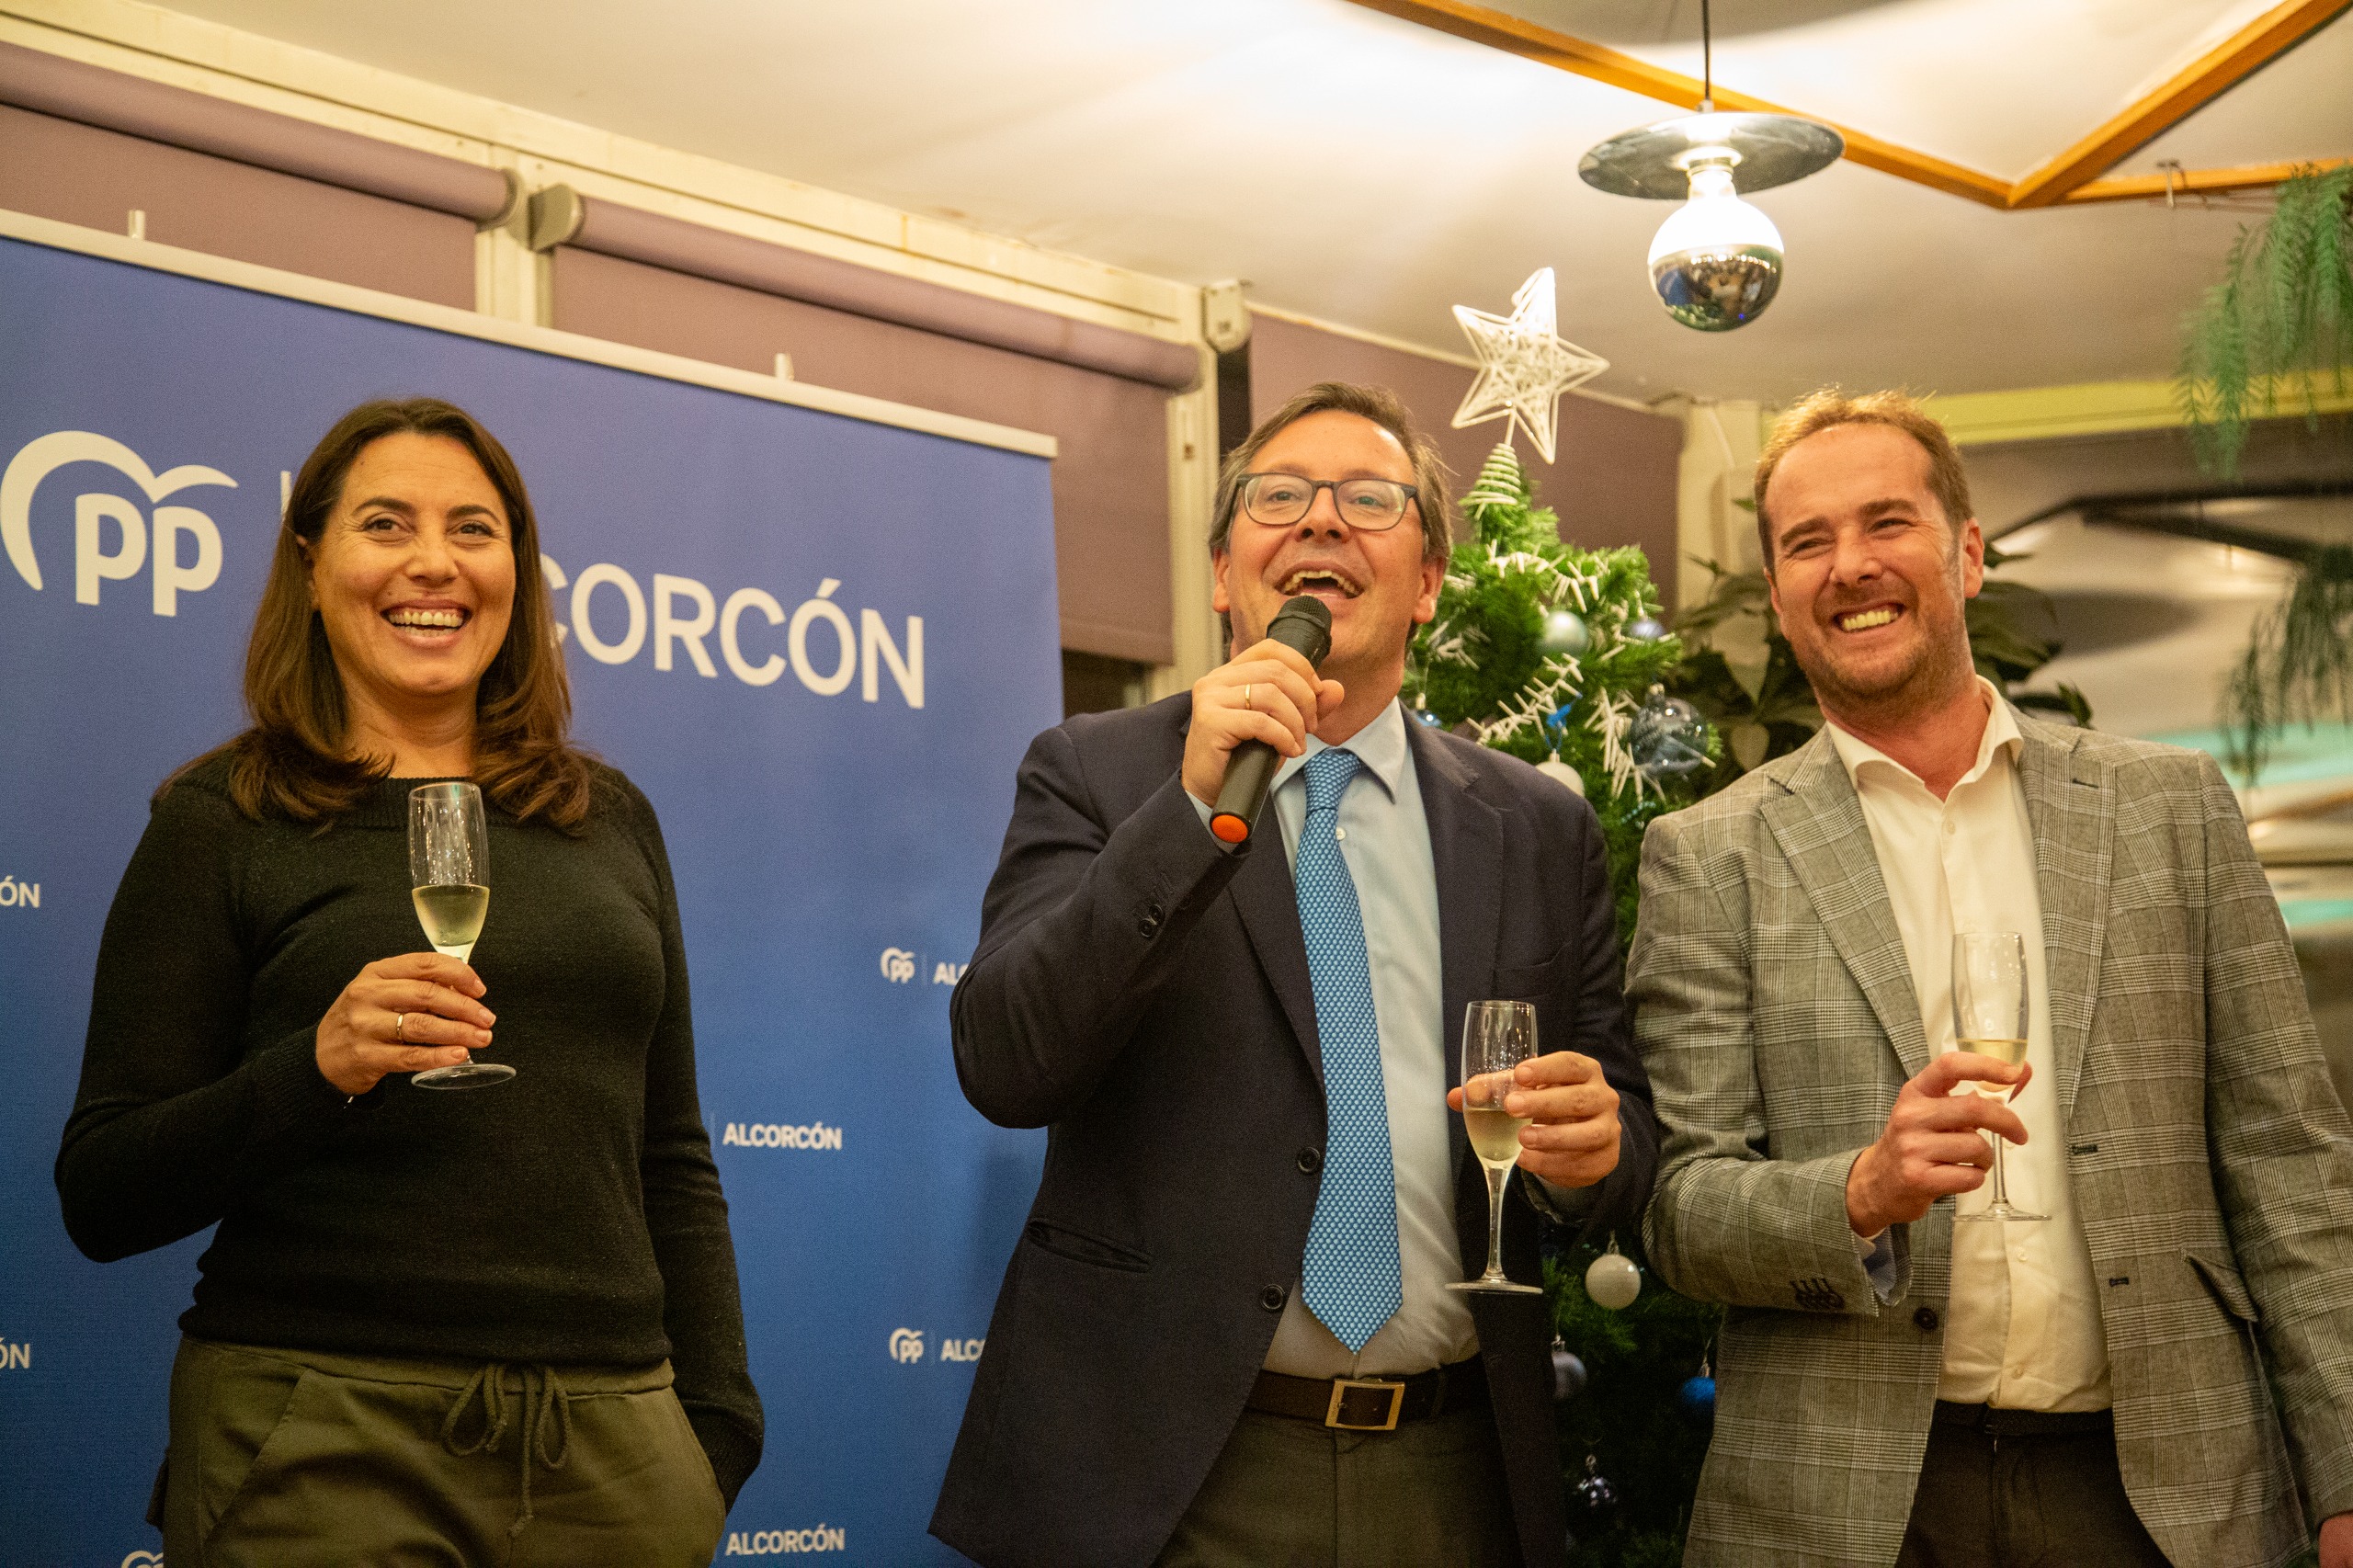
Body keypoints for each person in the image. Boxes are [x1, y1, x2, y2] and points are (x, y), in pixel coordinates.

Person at [930, 381, 1656, 1568]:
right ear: (1225, 573)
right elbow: (1007, 1061)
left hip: (1455, 1468)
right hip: (1166, 1475)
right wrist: (1185, 812)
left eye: (1369, 499)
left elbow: (1621, 1128)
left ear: (1428, 582)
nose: (1320, 520)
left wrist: (1592, 1151)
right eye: (1278, 498)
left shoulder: (1535, 825)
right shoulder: (1095, 771)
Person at [1630, 389, 2353, 1568]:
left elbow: (2291, 1161)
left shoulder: (2168, 808)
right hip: (1847, 1505)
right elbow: (1682, 1208)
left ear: (1966, 554)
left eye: (1886, 522)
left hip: (2163, 1492)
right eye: (1807, 542)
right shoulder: (1709, 856)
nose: (1849, 565)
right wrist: (1858, 1189)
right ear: (1777, 594)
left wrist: (2346, 1472)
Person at [55, 397, 761, 1567]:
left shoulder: (607, 817)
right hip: (320, 1436)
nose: (434, 562)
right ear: (311, 563)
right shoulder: (222, 818)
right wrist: (317, 1069)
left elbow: (671, 1151)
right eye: (386, 524)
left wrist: (715, 1429)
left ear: (516, 571)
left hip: (614, 1447)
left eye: (473, 529)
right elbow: (103, 1189)